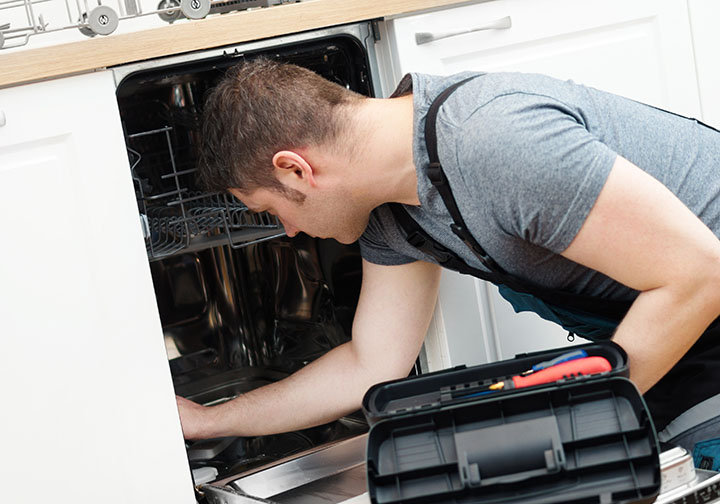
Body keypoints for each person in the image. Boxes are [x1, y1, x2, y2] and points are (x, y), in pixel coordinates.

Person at [177, 57, 720, 459]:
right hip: (681, 318)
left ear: (296, 169)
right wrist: (209, 420)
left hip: (698, 291)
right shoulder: (390, 217)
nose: (290, 231)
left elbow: (699, 273)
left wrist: (573, 421)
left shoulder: (493, 142)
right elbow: (372, 364)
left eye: (272, 211)